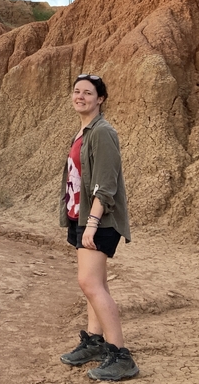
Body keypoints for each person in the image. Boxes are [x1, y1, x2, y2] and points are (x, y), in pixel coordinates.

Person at [58, 74, 139, 381]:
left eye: (88, 93)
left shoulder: (102, 132)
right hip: (82, 217)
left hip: (98, 219)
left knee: (89, 283)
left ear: (100, 99)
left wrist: (91, 223)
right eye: (77, 91)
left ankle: (121, 355)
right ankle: (94, 342)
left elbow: (106, 184)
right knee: (97, 284)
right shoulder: (83, 131)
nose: (80, 96)